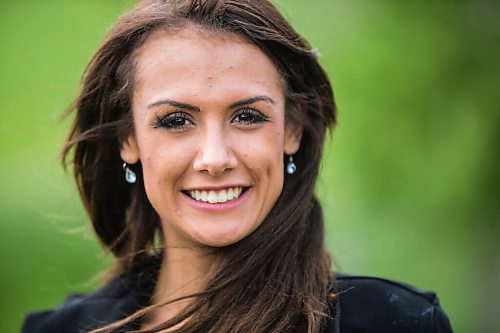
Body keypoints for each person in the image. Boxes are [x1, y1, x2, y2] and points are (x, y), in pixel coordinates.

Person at [22, 0, 453, 332]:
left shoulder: (394, 322)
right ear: (128, 139)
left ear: (293, 130)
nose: (214, 159)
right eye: (176, 121)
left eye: (247, 116)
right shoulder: (59, 330)